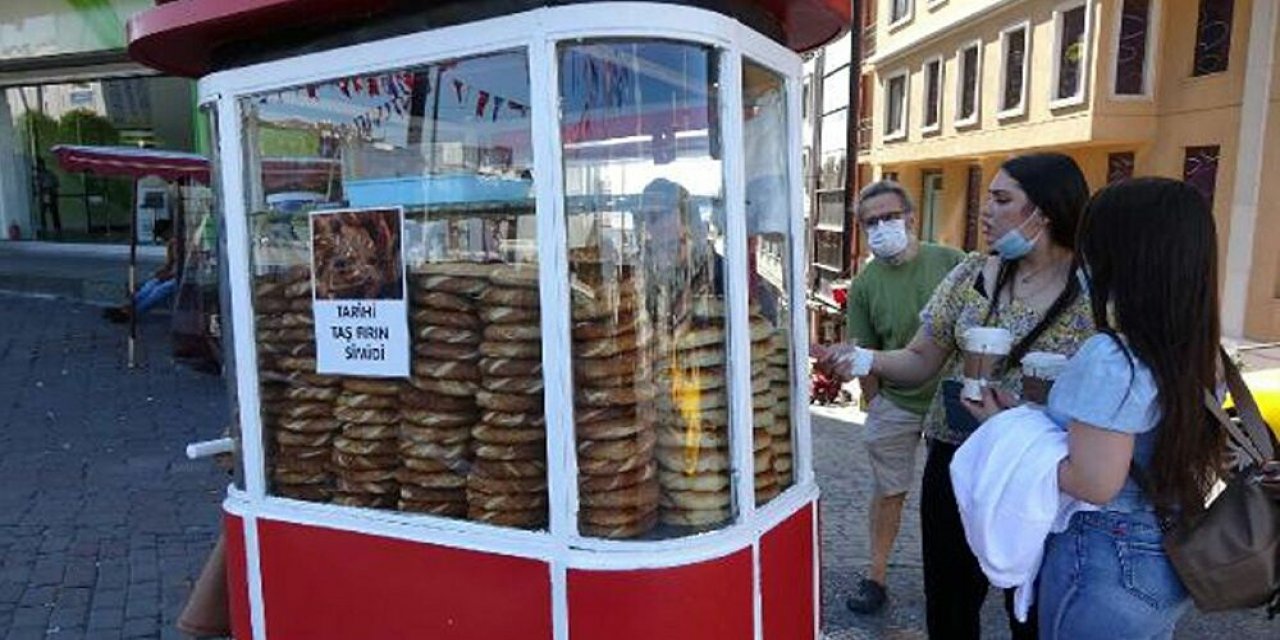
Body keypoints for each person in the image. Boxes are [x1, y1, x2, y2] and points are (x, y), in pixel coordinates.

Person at [815, 153, 1094, 639]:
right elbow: (921, 358)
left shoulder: (1094, 293)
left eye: (1002, 199)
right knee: (948, 601)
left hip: (1037, 472)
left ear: (1045, 212)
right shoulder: (971, 276)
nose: (985, 210)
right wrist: (865, 361)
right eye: (988, 196)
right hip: (958, 457)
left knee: (1029, 610)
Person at [966, 177, 1225, 638]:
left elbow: (1095, 482)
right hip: (1164, 552)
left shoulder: (1112, 357)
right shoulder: (1198, 351)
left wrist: (1004, 430)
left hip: (1107, 556)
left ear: (1118, 256)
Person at [837, 180, 963, 614]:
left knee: (957, 493)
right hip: (899, 402)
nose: (882, 227)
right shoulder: (864, 285)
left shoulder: (951, 262)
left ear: (911, 217)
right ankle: (876, 576)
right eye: (871, 222)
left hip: (954, 401)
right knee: (889, 492)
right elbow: (862, 354)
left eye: (890, 217)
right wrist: (877, 406)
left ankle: (967, 572)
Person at [103, 222, 179, 323]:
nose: (163, 238)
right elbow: (169, 264)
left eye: (163, 235)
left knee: (159, 290)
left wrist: (169, 275)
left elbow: (187, 266)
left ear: (169, 230)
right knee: (150, 285)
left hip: (180, 276)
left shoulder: (181, 243)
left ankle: (132, 313)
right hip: (171, 274)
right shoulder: (170, 244)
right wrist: (160, 273)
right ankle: (126, 307)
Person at [35, 158, 62, 238]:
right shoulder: (39, 175)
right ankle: (44, 228)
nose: (40, 167)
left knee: (53, 211)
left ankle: (57, 229)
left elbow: (56, 183)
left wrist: (53, 191)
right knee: (43, 212)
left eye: (40, 165)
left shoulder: (48, 174)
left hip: (49, 192)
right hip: (44, 193)